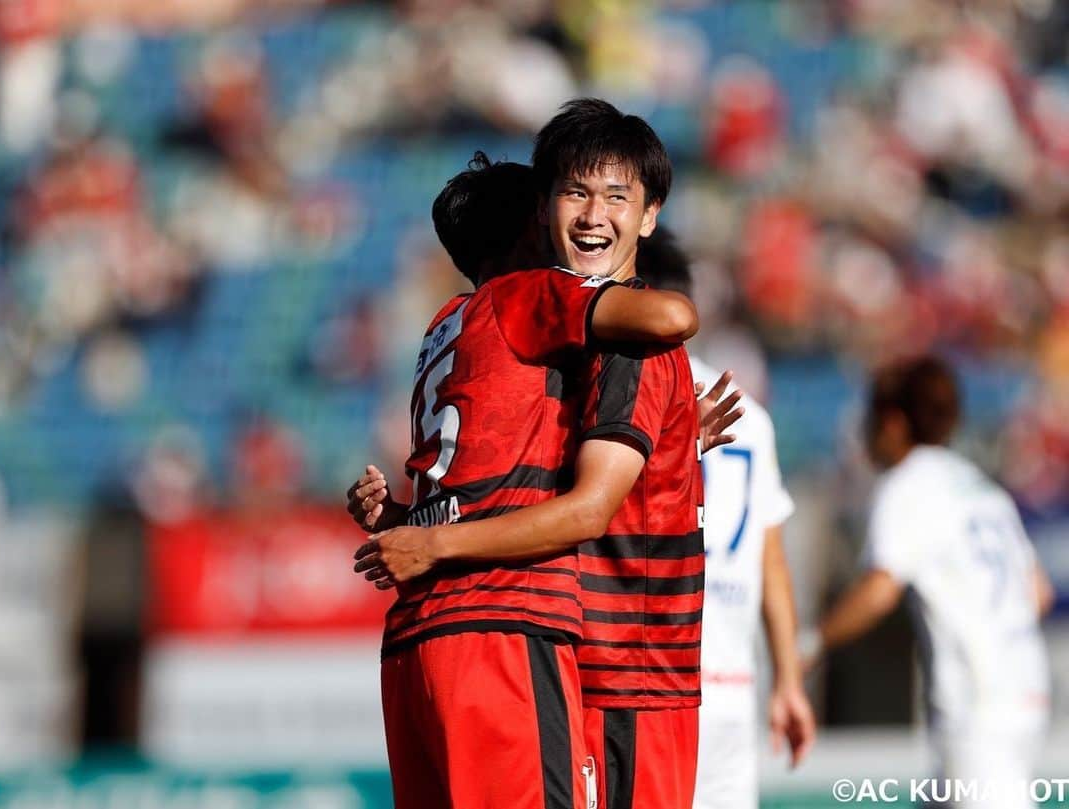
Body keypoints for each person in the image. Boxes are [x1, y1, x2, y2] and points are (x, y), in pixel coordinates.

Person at [356, 99, 722, 809]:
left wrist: (672, 432)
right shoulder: (530, 300)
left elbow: (492, 468)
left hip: (423, 638)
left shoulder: (446, 327)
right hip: (543, 637)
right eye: (572, 194)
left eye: (612, 195)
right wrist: (429, 541)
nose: (589, 216)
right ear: (536, 222)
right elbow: (673, 317)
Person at [804, 356, 1053, 808]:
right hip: (1025, 690)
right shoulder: (981, 485)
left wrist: (810, 643)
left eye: (871, 419)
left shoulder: (910, 484)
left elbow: (879, 591)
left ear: (894, 422)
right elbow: (1038, 592)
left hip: (978, 703)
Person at [635, 227, 816, 809]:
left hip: (652, 679)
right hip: (733, 687)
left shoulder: (630, 396)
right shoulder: (751, 414)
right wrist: (788, 680)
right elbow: (773, 563)